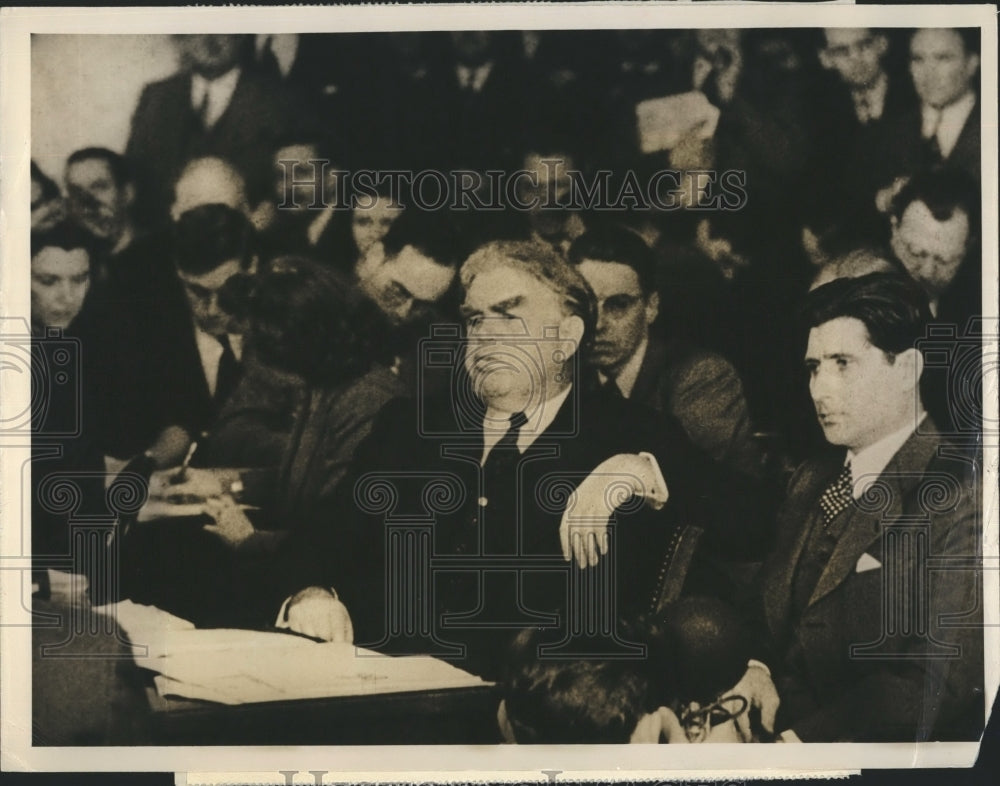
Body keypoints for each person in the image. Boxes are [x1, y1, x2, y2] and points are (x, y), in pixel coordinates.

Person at [264, 239, 719, 679]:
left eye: (508, 315)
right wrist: (312, 593)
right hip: (377, 694)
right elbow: (319, 536)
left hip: (522, 712)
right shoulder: (410, 428)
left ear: (568, 335)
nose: (484, 336)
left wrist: (639, 468)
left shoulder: (630, 434)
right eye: (475, 320)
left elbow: (749, 519)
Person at [736, 273, 983, 742]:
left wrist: (799, 745)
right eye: (814, 367)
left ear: (908, 369)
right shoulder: (814, 478)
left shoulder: (962, 493)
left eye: (843, 363)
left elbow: (937, 684)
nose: (819, 390)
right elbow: (765, 609)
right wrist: (757, 669)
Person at [569, 225, 768, 481]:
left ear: (651, 307)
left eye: (619, 305)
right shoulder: (573, 375)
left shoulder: (702, 376)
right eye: (586, 305)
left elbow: (692, 487)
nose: (598, 324)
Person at [126, 34, 296, 228]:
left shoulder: (278, 99)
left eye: (222, 29)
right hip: (164, 241)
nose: (210, 40)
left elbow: (299, 182)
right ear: (180, 39)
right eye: (196, 31)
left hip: (247, 240)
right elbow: (133, 174)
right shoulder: (156, 97)